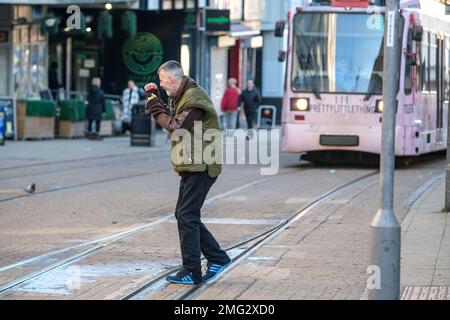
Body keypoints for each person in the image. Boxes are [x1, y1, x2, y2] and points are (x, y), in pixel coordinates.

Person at [144, 61, 231, 285]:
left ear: (172, 79)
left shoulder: (194, 99)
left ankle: (192, 271)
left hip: (202, 165)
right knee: (184, 214)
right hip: (193, 164)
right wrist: (155, 97)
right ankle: (218, 258)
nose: (163, 87)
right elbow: (175, 116)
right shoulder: (183, 96)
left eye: (163, 83)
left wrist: (155, 108)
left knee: (187, 215)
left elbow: (175, 125)